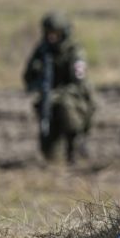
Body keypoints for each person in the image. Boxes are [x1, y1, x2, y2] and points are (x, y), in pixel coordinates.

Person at [22, 12, 94, 163]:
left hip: (76, 99)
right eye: (48, 33)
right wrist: (38, 81)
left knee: (64, 105)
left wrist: (57, 94)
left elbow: (79, 84)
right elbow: (28, 79)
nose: (51, 37)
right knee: (50, 156)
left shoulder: (74, 51)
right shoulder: (42, 50)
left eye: (55, 33)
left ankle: (75, 143)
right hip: (50, 99)